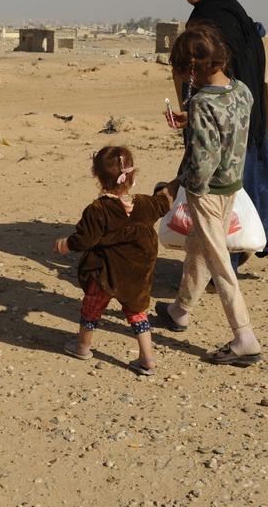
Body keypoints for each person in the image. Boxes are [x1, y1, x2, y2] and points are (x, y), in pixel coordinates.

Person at [172, 0, 268, 266]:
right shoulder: (229, 8)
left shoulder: (214, 18)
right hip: (245, 122)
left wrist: (199, 116)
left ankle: (219, 272)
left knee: (219, 201)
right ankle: (219, 270)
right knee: (240, 199)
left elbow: (215, 75)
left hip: (224, 129)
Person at [154, 22, 263, 366]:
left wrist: (180, 187)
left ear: (192, 69)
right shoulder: (242, 90)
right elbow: (229, 128)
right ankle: (179, 311)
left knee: (218, 262)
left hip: (207, 191)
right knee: (198, 248)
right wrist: (192, 123)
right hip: (232, 184)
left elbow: (205, 158)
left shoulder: (200, 102)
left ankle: (245, 337)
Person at [52, 146, 175, 375]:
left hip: (104, 273)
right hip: (137, 273)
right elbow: (164, 203)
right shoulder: (146, 204)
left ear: (96, 176)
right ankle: (147, 358)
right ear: (132, 175)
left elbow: (84, 239)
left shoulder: (98, 210)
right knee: (137, 311)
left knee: (91, 308)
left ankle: (82, 346)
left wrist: (63, 245)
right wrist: (171, 186)